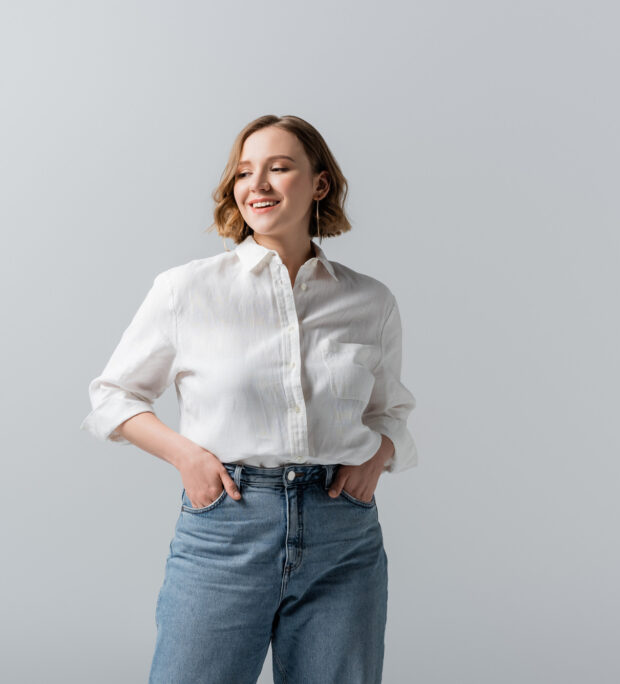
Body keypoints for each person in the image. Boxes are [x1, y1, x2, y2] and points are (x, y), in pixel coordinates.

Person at [79, 114, 418, 683]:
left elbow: (389, 410)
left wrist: (379, 452)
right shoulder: (188, 289)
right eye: (244, 172)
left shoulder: (369, 300)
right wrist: (187, 456)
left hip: (344, 538)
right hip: (228, 528)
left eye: (278, 168)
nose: (256, 184)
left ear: (319, 184)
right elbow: (113, 396)